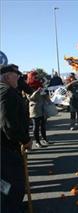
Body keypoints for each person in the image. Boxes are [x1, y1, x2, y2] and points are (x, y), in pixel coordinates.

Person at [0, 64, 33, 213]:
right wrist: (25, 140)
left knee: (6, 182)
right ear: (7, 76)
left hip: (5, 145)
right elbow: (8, 124)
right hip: (7, 146)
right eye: (16, 75)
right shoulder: (6, 92)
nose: (19, 78)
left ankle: (11, 206)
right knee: (15, 182)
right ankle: (12, 208)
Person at [27, 71, 50, 148]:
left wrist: (45, 93)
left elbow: (45, 96)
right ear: (31, 77)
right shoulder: (28, 86)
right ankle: (37, 142)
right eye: (35, 76)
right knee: (36, 126)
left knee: (43, 125)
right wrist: (37, 91)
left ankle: (44, 139)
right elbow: (30, 98)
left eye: (37, 76)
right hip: (34, 108)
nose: (36, 78)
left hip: (42, 107)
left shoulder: (40, 85)